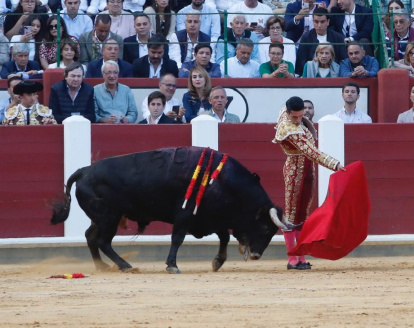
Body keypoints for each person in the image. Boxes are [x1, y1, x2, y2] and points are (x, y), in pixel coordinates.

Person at [272, 96, 345, 270]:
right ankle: (292, 259)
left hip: (307, 171)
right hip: (294, 172)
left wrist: (303, 118)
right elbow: (312, 153)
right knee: (290, 215)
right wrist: (334, 164)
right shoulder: (288, 128)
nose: (298, 120)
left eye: (300, 116)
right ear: (288, 114)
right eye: (294, 117)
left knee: (303, 215)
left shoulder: (286, 112)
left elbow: (283, 109)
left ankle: (301, 256)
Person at [295, 7, 347, 77]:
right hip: (312, 74)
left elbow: (343, 60)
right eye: (316, 22)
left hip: (333, 74)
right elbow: (301, 61)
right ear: (313, 22)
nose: (319, 25)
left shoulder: (338, 37)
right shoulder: (306, 37)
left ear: (328, 22)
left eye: (322, 22)